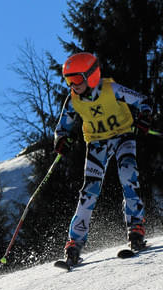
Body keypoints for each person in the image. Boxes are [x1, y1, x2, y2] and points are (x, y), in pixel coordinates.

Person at [54, 52, 152, 265]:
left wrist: (144, 117)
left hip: (123, 136)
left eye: (77, 79)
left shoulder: (111, 89)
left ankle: (136, 227)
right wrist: (61, 140)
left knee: (128, 176)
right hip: (97, 143)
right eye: (68, 80)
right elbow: (62, 126)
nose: (73, 85)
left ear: (91, 75)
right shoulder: (73, 100)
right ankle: (75, 243)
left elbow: (143, 101)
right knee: (89, 190)